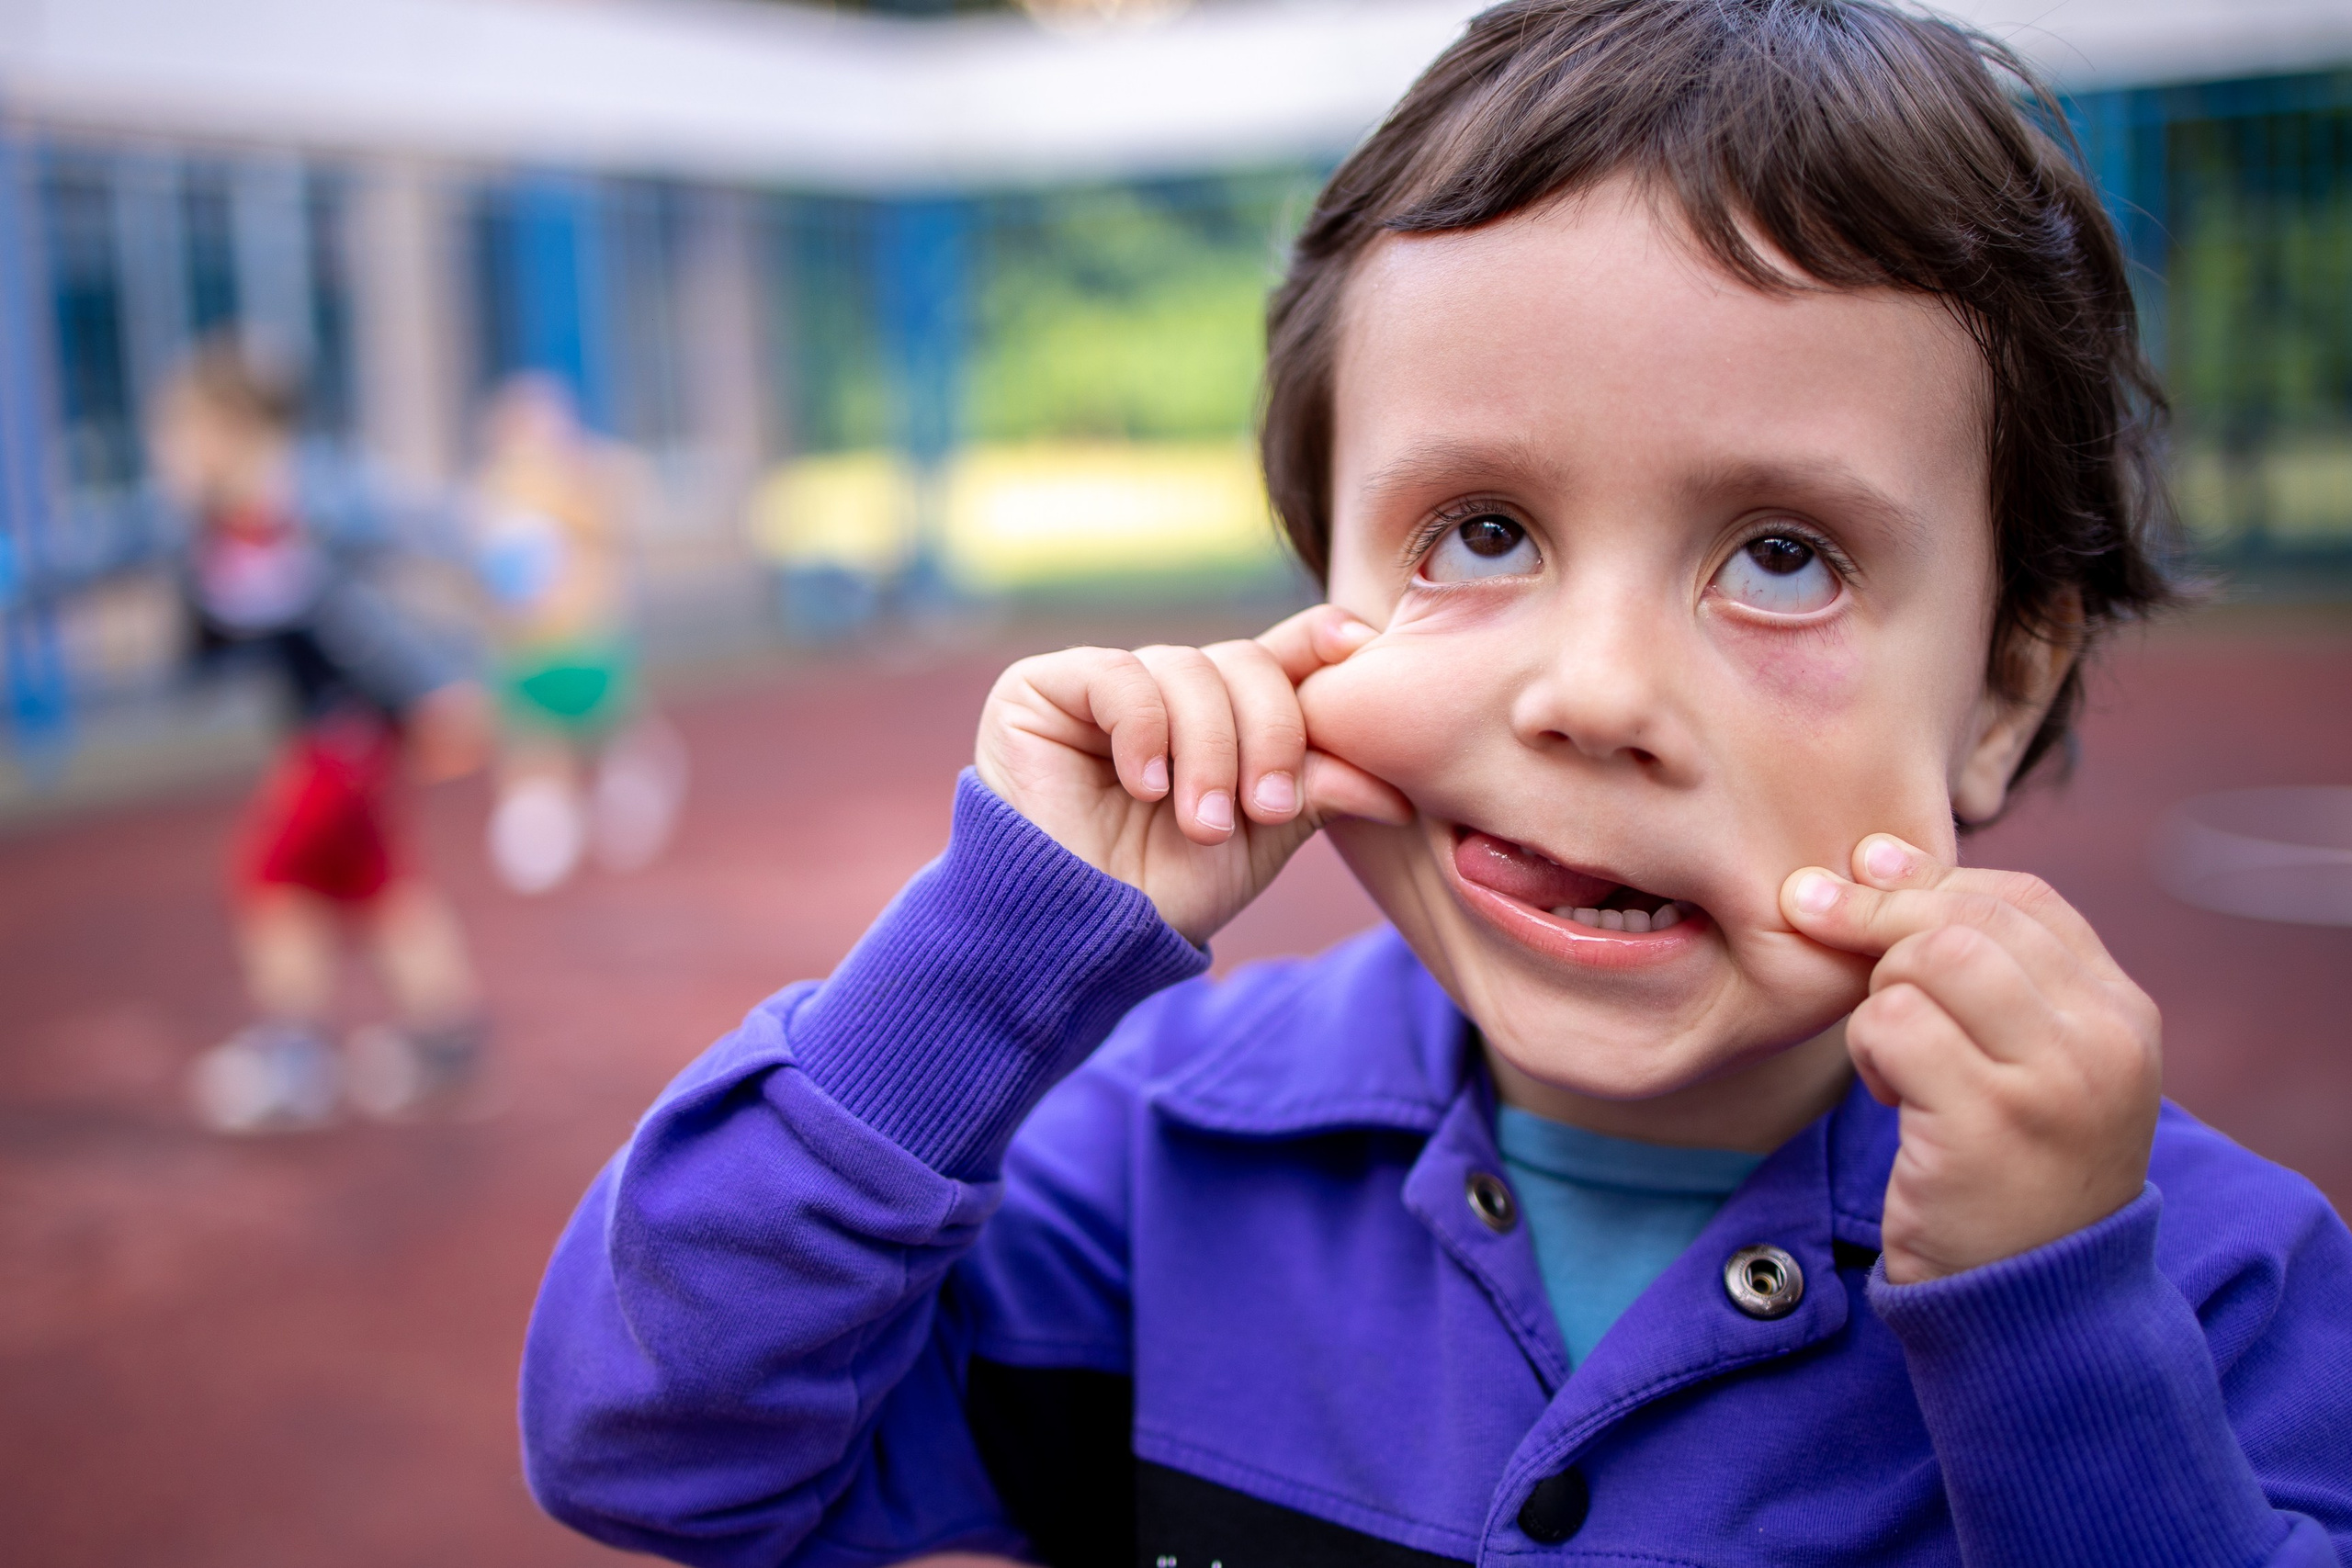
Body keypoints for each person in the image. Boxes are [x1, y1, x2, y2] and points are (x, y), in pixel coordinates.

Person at [519, 3, 2352, 1563]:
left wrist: (2045, 1318)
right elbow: (652, 1445)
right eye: (1480, 532)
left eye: (1782, 556)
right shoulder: (1159, 1155)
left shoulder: (2195, 1283)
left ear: (2000, 689)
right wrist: (989, 956)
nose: (1594, 694)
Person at [157, 339, 492, 1133]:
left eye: (183, 430)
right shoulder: (208, 520)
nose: (170, 450)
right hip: (319, 728)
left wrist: (439, 683)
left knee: (270, 873)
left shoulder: (317, 498)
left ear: (232, 428)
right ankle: (448, 1037)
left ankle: (293, 1057)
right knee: (378, 882)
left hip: (355, 726)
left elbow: (414, 537)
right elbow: (107, 553)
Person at [469, 374, 684, 897]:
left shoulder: (499, 495)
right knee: (595, 746)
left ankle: (545, 845)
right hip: (571, 649)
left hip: (547, 654)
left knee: (549, 753)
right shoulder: (579, 485)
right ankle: (556, 837)